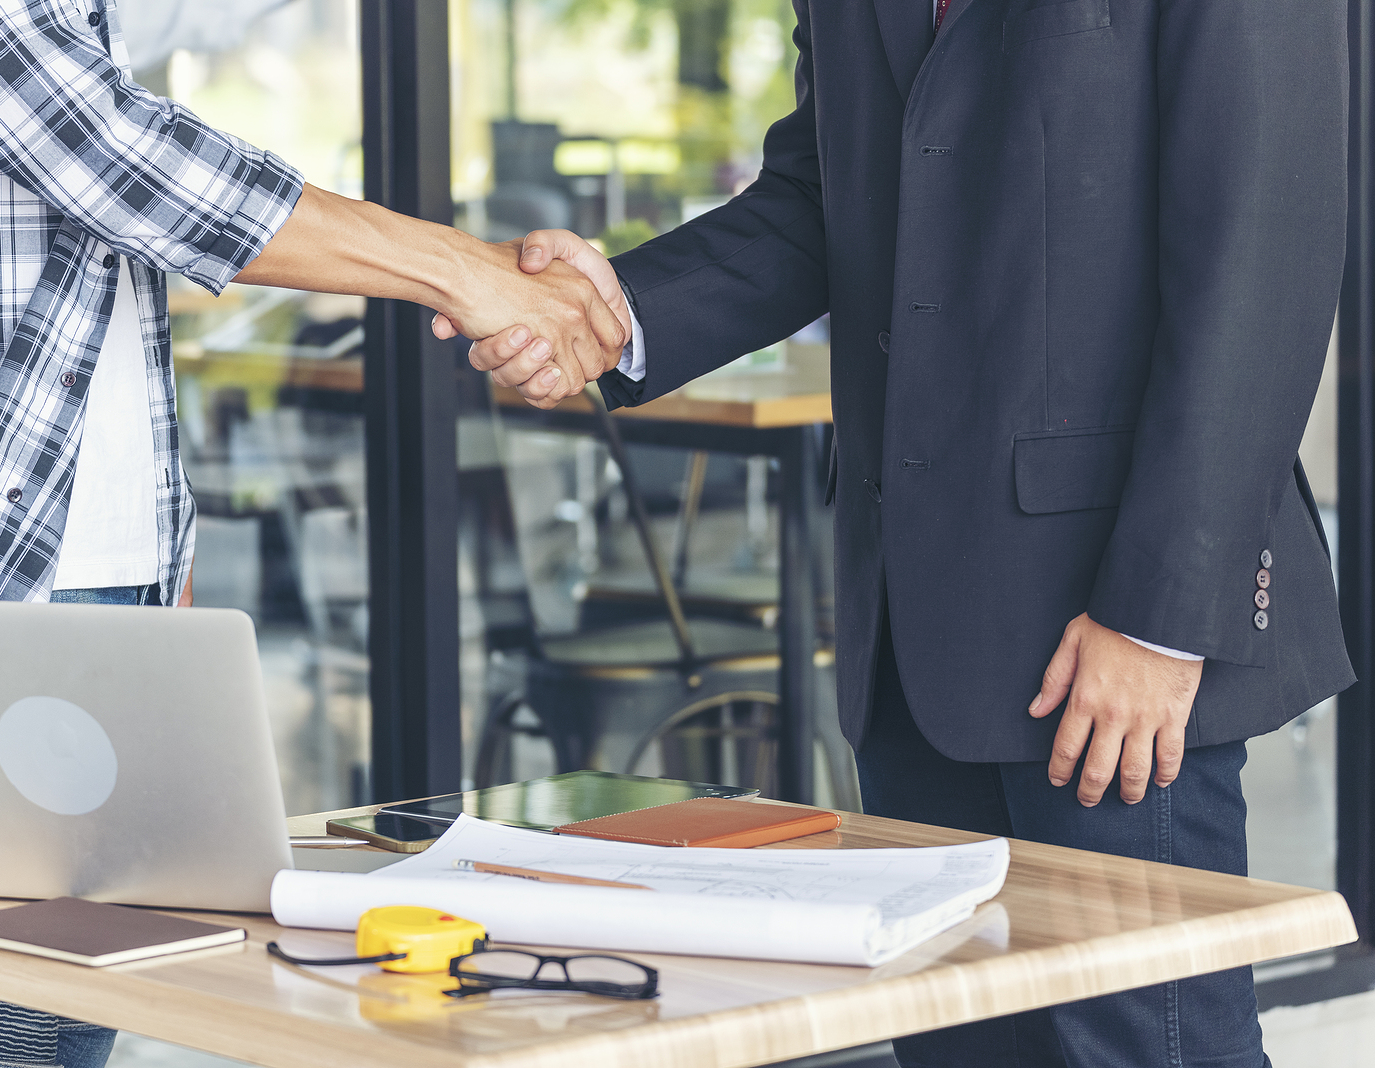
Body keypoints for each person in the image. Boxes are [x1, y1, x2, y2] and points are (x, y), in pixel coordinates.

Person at [458, 1, 1352, 1064]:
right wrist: (613, 310)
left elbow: (1264, 249)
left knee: (1150, 1046)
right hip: (908, 628)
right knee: (954, 1046)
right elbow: (816, 199)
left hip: (1112, 639)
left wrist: (1160, 622)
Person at [0, 0, 625, 1064]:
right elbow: (107, 151)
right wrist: (464, 272)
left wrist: (152, 551)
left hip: (100, 562)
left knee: (70, 1027)